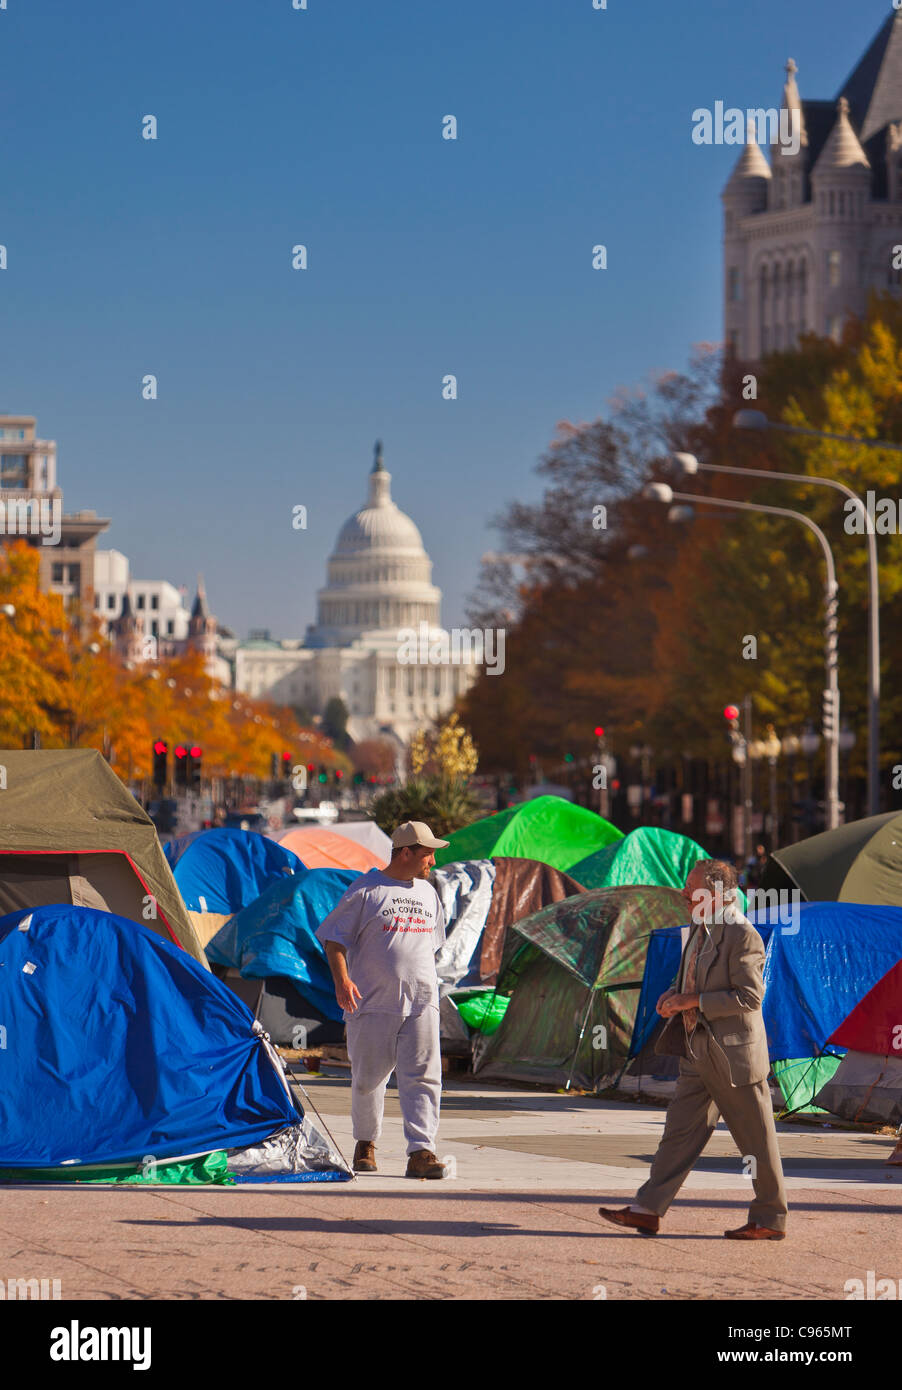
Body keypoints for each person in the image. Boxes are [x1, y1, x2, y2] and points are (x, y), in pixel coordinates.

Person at [599, 858, 788, 1240]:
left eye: (692, 889)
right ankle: (647, 1209)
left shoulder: (741, 933)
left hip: (734, 1059)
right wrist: (673, 994)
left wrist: (692, 1001)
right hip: (698, 1052)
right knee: (678, 1134)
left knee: (756, 1142)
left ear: (716, 893)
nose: (685, 895)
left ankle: (770, 1219)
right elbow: (688, 979)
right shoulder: (700, 926)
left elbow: (750, 996)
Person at [316, 820, 449, 1179]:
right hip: (372, 1001)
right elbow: (334, 941)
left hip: (422, 1001)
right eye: (427, 855)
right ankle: (365, 1143)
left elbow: (429, 946)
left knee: (424, 1076)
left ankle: (421, 1151)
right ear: (406, 852)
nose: (431, 863)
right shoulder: (366, 890)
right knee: (369, 1079)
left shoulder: (428, 894)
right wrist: (342, 981)